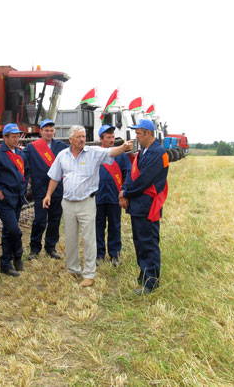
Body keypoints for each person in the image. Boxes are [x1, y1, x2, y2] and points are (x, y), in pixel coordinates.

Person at [43, 125, 132, 287]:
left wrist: (124, 147)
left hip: (87, 202)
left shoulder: (93, 152)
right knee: (70, 238)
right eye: (79, 137)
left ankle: (89, 274)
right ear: (70, 139)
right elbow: (55, 177)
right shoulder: (62, 155)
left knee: (89, 239)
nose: (82, 139)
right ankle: (73, 269)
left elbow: (111, 152)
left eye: (84, 136)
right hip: (68, 203)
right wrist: (48, 195)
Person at [119, 119, 169, 295]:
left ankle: (151, 282)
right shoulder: (144, 152)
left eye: (138, 133)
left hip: (147, 205)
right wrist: (124, 189)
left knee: (148, 242)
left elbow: (143, 180)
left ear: (148, 133)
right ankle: (144, 274)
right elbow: (132, 176)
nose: (136, 137)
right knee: (140, 241)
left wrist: (126, 194)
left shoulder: (157, 153)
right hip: (138, 205)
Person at [0, 123, 29, 277]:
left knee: (9, 231)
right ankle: (17, 255)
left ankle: (6, 263)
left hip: (17, 198)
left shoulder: (21, 154)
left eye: (18, 136)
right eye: (13, 136)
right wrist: (0, 194)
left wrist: (23, 188)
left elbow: (26, 172)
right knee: (15, 231)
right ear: (5, 137)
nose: (16, 139)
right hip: (5, 199)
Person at [23, 119, 68, 260]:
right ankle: (35, 248)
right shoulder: (32, 147)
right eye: (46, 130)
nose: (49, 133)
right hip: (40, 190)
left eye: (51, 130)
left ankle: (51, 247)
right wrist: (29, 178)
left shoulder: (61, 146)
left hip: (58, 189)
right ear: (41, 131)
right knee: (40, 220)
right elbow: (23, 163)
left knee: (55, 220)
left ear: (54, 131)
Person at [95, 125, 131, 267]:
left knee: (115, 226)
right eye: (108, 137)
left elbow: (127, 173)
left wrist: (124, 191)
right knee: (98, 226)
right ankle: (99, 254)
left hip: (115, 196)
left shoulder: (121, 155)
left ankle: (114, 254)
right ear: (101, 139)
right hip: (98, 197)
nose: (111, 140)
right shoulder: (96, 154)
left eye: (112, 137)